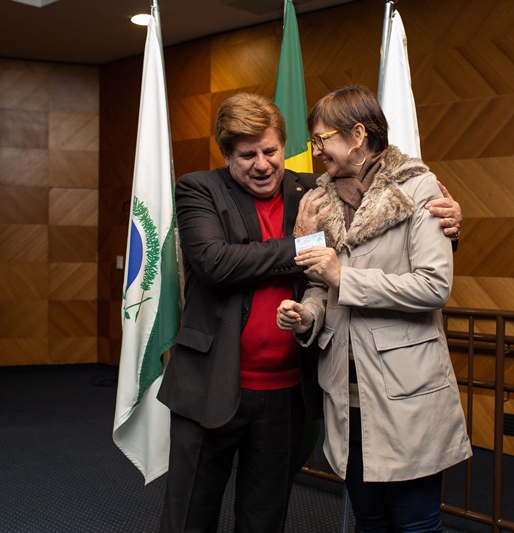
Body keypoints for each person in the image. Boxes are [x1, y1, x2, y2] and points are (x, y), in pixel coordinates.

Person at [157, 92, 464, 533]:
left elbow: (378, 234)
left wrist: (449, 222)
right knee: (190, 516)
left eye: (270, 151)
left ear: (284, 147)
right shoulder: (199, 189)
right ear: (226, 155)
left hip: (287, 393)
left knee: (265, 519)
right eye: (247, 156)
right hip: (211, 385)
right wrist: (301, 244)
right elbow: (215, 263)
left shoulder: (314, 189)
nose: (262, 165)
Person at [277, 85, 472, 533]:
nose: (315, 150)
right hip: (345, 394)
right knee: (369, 521)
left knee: (416, 523)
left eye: (322, 139)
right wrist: (308, 315)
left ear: (358, 134)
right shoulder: (316, 201)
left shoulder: (419, 188)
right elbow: (318, 282)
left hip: (406, 391)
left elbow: (434, 286)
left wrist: (344, 278)